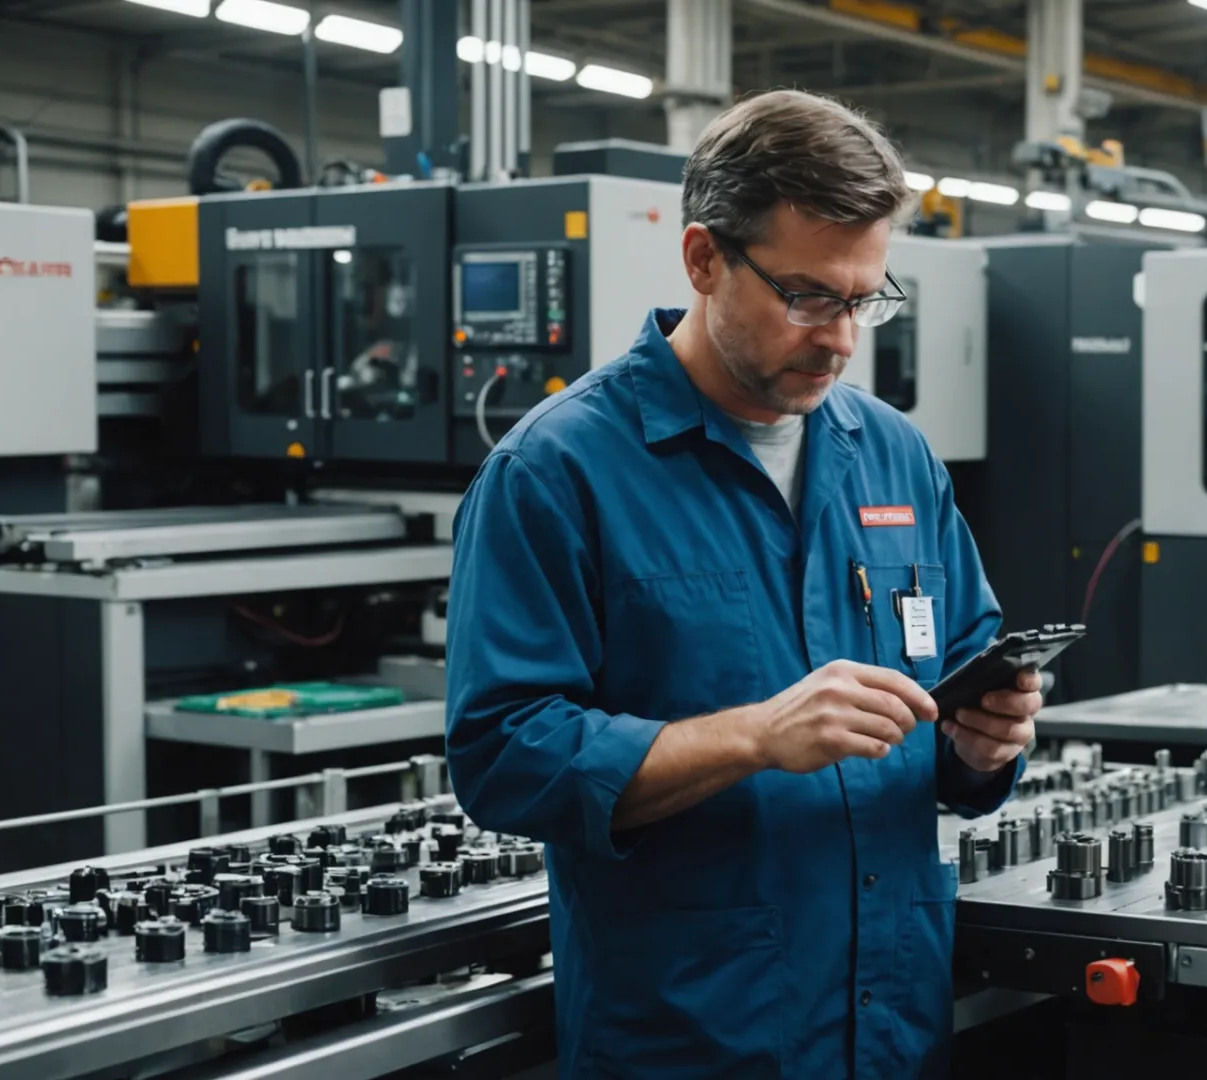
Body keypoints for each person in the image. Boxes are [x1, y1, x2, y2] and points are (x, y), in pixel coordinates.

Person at [444, 89, 1043, 1078]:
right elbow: (502, 754)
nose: (841, 340)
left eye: (863, 299)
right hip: (694, 1034)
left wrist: (984, 746)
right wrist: (754, 736)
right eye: (806, 296)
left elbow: (963, 683)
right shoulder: (557, 472)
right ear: (702, 259)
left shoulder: (893, 455)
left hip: (889, 1025)